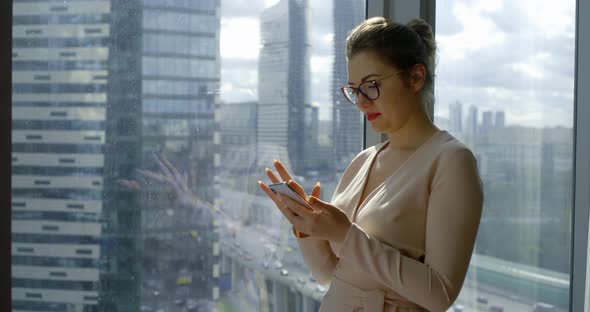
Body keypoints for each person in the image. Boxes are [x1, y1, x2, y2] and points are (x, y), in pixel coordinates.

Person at [258, 16, 484, 312]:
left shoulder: (452, 161)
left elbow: (439, 294)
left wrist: (345, 235)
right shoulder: (363, 161)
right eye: (354, 90)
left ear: (415, 77)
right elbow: (329, 275)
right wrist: (307, 226)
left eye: (372, 85)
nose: (362, 101)